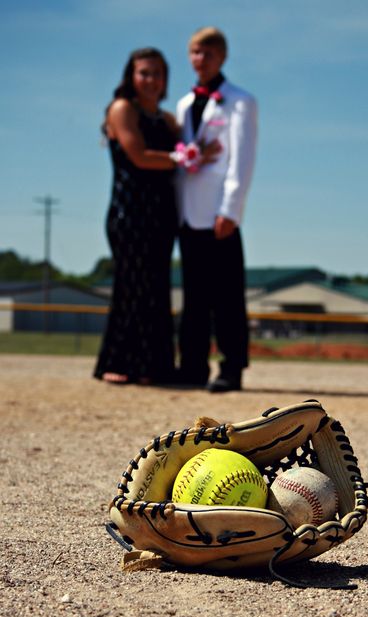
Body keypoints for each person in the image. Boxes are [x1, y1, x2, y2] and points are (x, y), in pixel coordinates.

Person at [94, 48, 219, 385]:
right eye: (144, 73)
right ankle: (119, 361)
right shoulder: (122, 110)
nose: (151, 80)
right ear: (131, 77)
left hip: (162, 213)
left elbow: (193, 138)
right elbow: (140, 156)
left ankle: (154, 365)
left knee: (157, 288)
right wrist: (191, 158)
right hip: (130, 212)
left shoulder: (166, 120)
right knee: (131, 285)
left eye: (158, 74)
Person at [176, 27, 258, 392]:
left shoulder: (240, 101)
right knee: (193, 298)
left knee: (226, 297)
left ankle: (231, 368)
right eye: (195, 52)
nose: (200, 59)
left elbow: (241, 160)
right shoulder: (182, 104)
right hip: (188, 213)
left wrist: (231, 209)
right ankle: (192, 366)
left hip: (219, 216)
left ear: (222, 57)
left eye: (207, 53)